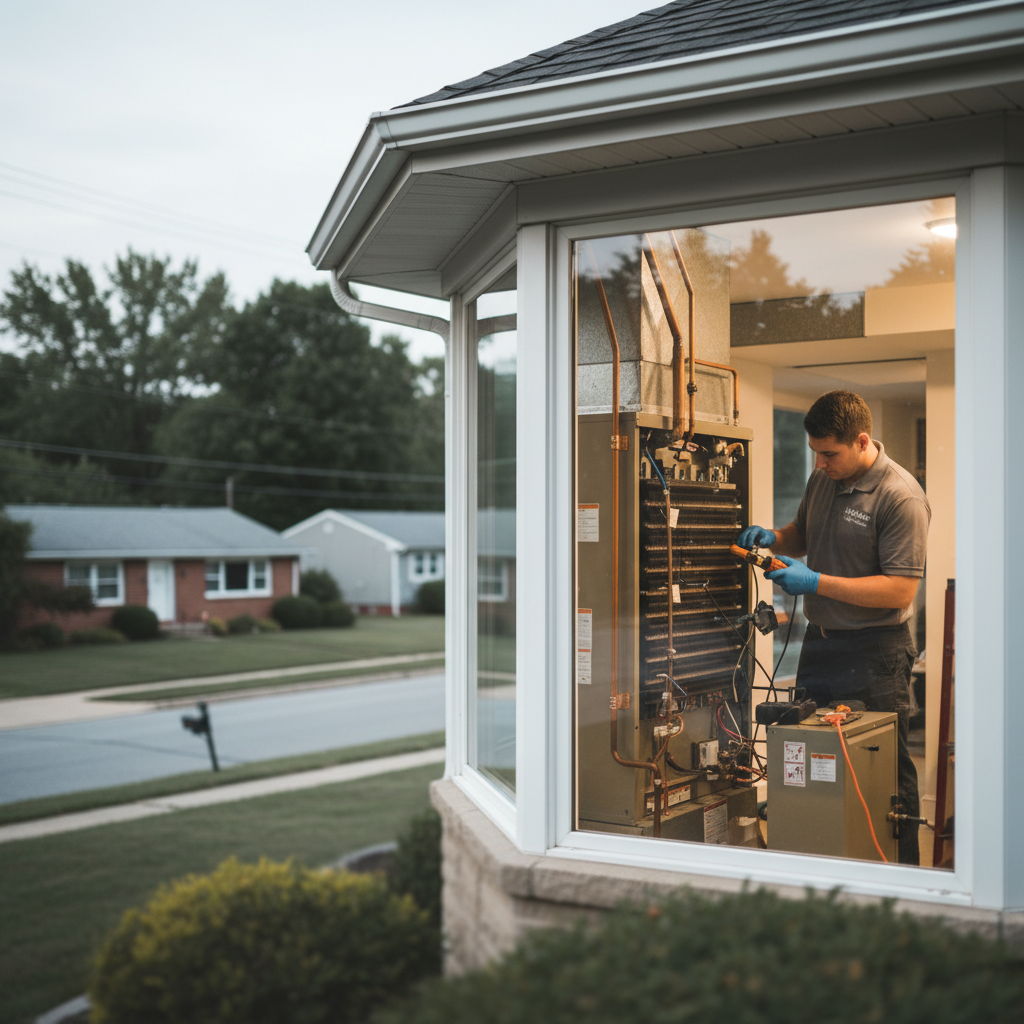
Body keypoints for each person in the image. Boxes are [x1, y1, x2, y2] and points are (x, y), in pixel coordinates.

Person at [738, 390, 930, 865]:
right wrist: (775, 537)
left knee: (881, 765)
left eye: (829, 454)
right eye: (815, 454)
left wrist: (816, 582)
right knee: (806, 753)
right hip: (820, 644)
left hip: (876, 651)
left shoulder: (900, 497)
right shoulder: (824, 477)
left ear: (862, 441)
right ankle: (818, 860)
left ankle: (901, 880)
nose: (820, 464)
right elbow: (803, 533)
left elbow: (900, 591)